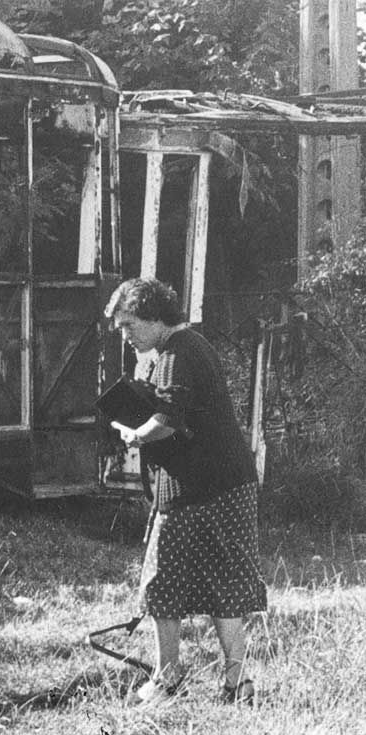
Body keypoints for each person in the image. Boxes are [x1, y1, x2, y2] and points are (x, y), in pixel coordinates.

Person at [104, 278, 267, 705]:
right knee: (226, 581)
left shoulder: (177, 352)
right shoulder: (189, 346)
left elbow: (168, 420)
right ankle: (238, 683)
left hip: (199, 488)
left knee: (162, 581)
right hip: (225, 482)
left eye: (129, 325)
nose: (126, 335)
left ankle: (166, 678)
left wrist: (134, 435)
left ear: (155, 317)